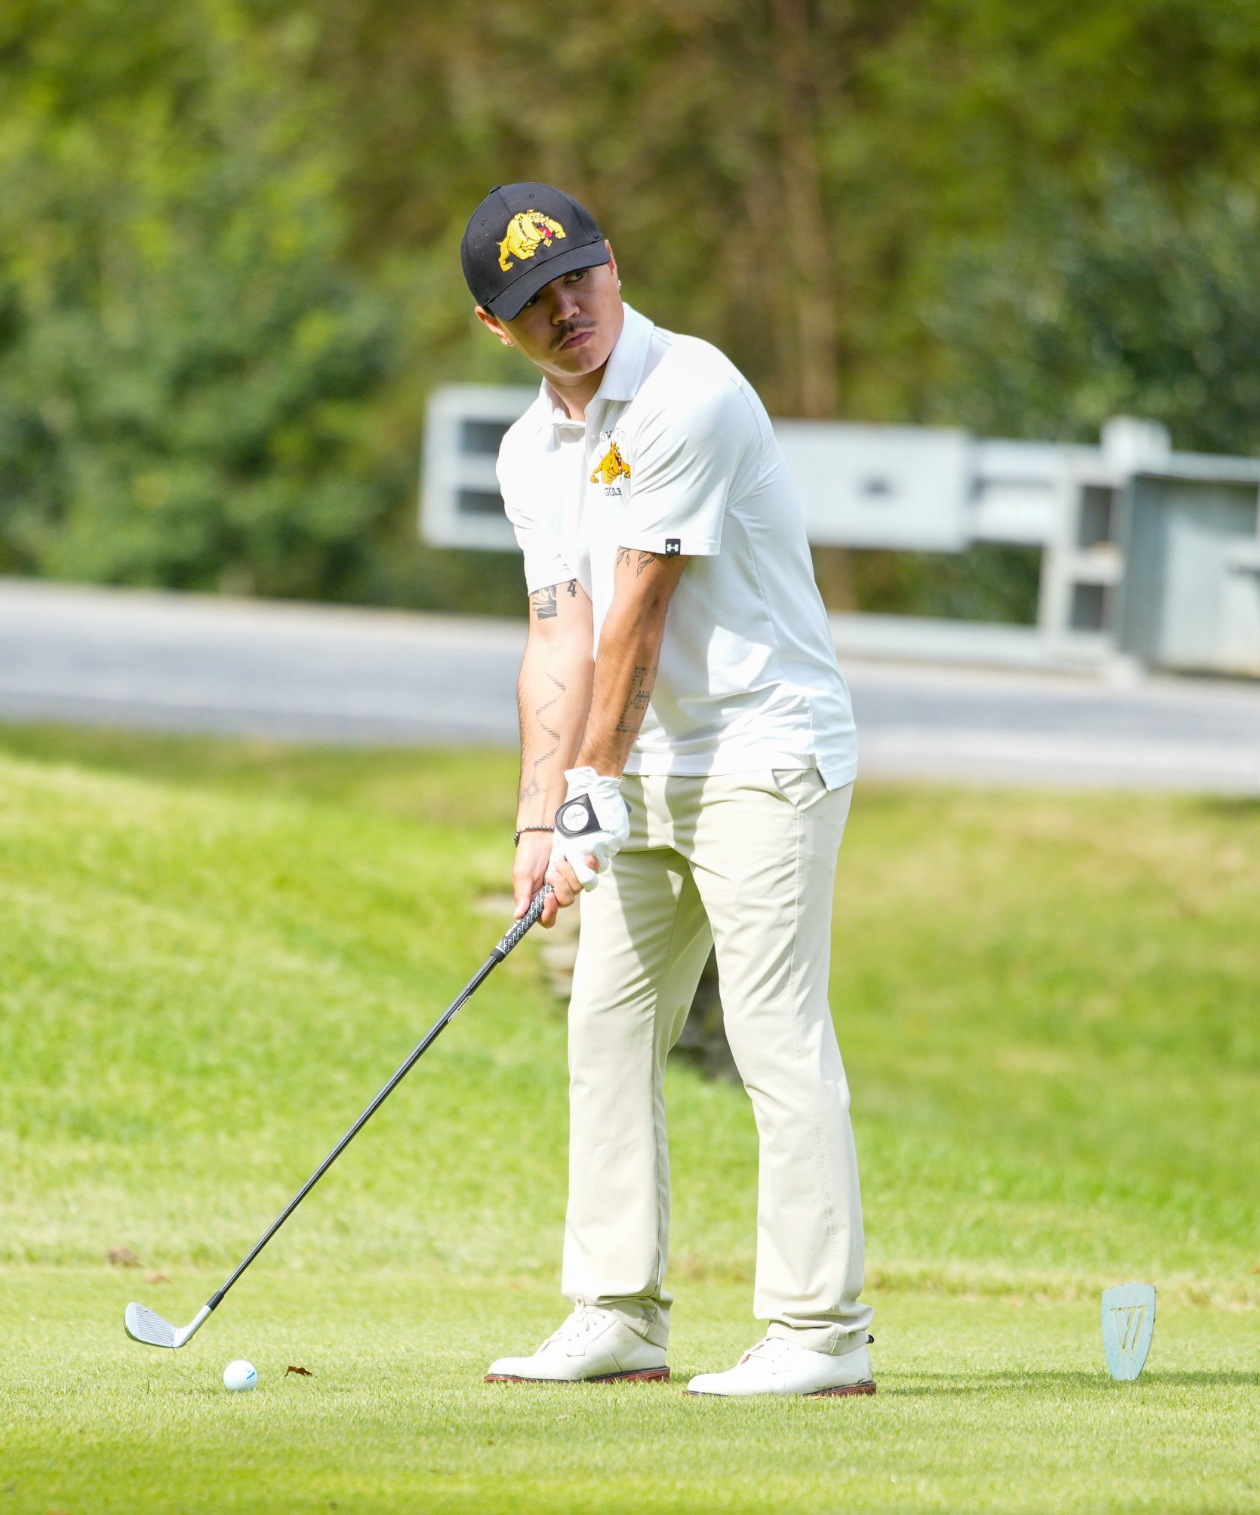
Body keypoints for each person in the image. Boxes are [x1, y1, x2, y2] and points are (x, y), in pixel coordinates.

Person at [460, 183, 873, 1398]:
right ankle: (619, 1312)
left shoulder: (691, 389)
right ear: (498, 330)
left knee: (771, 1036)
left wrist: (588, 789)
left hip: (763, 750)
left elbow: (640, 614)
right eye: (532, 301)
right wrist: (541, 819)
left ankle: (819, 1333)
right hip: (639, 767)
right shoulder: (528, 450)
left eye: (577, 277)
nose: (566, 308)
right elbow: (561, 637)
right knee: (607, 1023)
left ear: (612, 264)